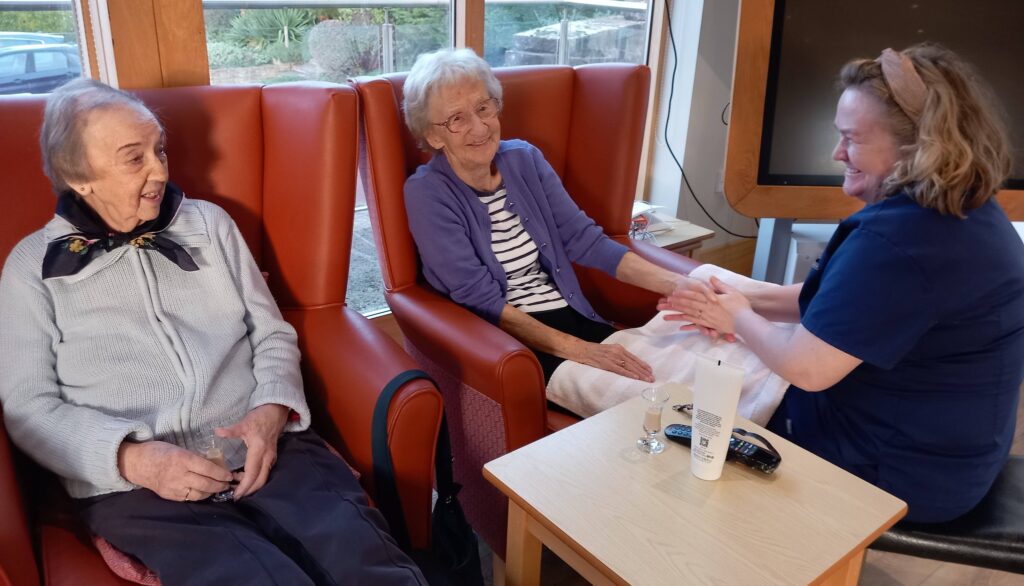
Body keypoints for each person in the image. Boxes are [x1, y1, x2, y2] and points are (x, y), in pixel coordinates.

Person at [0, 79, 425, 584]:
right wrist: (132, 459)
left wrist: (270, 412)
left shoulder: (209, 224)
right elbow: (29, 406)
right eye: (134, 158)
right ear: (79, 175)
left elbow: (270, 334)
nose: (160, 169)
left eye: (159, 149)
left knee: (368, 565)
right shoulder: (32, 267)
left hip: (263, 444)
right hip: (135, 486)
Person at [660, 43, 1024, 523]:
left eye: (851, 139)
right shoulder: (963, 207)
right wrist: (741, 298)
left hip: (898, 475)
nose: (837, 153)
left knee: (673, 397)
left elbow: (808, 369)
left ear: (917, 147)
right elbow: (842, 303)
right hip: (955, 458)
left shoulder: (902, 241)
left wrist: (737, 317)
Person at [403, 48, 709, 383]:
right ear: (433, 135)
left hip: (572, 315)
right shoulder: (427, 193)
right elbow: (480, 300)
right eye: (456, 119)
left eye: (483, 107)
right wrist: (582, 351)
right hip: (512, 345)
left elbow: (586, 241)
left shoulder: (524, 159)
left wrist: (683, 286)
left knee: (691, 371)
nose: (479, 128)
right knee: (646, 401)